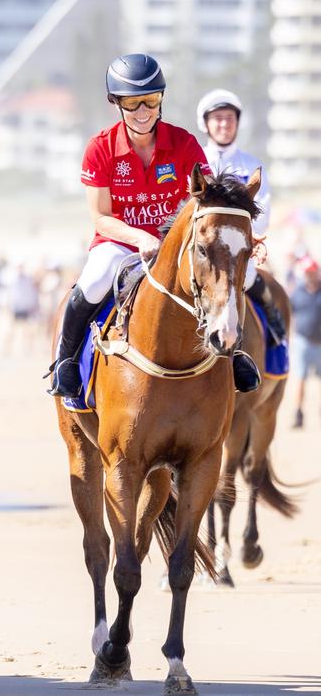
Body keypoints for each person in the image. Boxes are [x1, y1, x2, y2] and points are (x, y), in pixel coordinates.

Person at [47, 53, 261, 397]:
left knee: (234, 277)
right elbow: (100, 216)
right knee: (94, 280)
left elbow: (207, 199)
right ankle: (65, 362)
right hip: (118, 243)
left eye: (151, 100)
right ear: (116, 102)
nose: (143, 111)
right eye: (133, 103)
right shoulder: (99, 148)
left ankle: (235, 354)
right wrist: (139, 237)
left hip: (176, 244)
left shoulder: (184, 143)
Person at [196, 88, 286, 346]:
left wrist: (244, 237)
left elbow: (263, 207)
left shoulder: (251, 165)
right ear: (206, 123)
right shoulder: (195, 161)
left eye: (230, 118)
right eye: (218, 118)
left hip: (238, 247)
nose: (224, 124)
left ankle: (273, 328)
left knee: (250, 280)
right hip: (205, 247)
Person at [289, 258, 321, 428]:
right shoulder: (297, 292)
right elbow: (289, 312)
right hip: (302, 342)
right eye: (308, 273)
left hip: (320, 343)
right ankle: (298, 413)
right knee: (300, 379)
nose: (311, 276)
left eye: (313, 272)